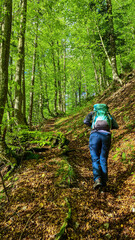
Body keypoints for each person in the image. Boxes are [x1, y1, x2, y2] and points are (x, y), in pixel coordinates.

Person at [84, 103, 119, 191]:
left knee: (95, 158)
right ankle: (104, 182)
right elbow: (116, 126)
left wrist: (92, 126)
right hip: (106, 136)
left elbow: (85, 121)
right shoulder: (108, 115)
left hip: (94, 135)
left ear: (95, 108)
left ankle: (97, 179)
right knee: (103, 158)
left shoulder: (93, 113)